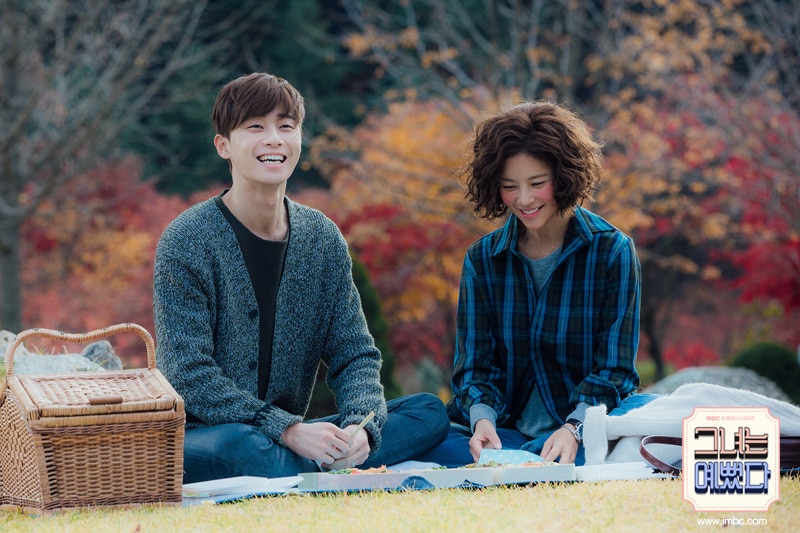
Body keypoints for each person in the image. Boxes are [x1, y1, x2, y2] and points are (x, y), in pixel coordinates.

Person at [153, 72, 450, 483]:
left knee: (427, 411)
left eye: (286, 126)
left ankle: (327, 463)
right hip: (213, 436)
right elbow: (187, 375)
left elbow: (355, 354)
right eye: (255, 127)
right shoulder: (186, 240)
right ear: (224, 146)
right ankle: (322, 468)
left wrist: (360, 427)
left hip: (288, 439)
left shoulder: (321, 238)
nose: (274, 139)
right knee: (239, 447)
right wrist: (287, 429)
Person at [418, 101, 653, 468]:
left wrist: (575, 428)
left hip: (586, 429)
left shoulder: (612, 251)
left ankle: (535, 458)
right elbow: (475, 368)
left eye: (538, 184)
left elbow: (615, 370)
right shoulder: (482, 259)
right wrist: (482, 421)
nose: (524, 200)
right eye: (509, 187)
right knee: (425, 427)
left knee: (651, 419)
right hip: (506, 432)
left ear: (564, 175)